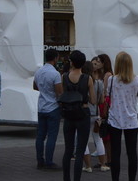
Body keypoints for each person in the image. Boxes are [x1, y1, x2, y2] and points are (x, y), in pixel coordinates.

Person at [61, 50, 96, 181]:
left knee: (68, 150)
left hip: (69, 114)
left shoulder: (64, 76)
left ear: (72, 62)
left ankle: (66, 178)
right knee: (80, 151)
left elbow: (63, 94)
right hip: (83, 113)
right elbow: (93, 100)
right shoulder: (88, 78)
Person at [108, 51, 138, 181]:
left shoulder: (112, 80)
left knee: (115, 153)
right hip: (131, 119)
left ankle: (115, 179)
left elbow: (108, 96)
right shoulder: (137, 80)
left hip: (115, 119)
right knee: (132, 153)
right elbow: (136, 95)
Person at [35, 48, 64, 170]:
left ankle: (40, 160)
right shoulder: (55, 74)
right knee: (52, 136)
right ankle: (49, 161)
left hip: (41, 106)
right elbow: (59, 93)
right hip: (53, 107)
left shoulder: (39, 71)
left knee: (40, 135)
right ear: (55, 58)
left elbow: (35, 86)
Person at [83, 61, 107, 173]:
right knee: (98, 139)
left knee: (83, 139)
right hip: (96, 114)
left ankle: (88, 166)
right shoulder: (99, 83)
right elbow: (102, 100)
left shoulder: (82, 82)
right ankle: (103, 164)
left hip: (85, 113)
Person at [93, 54, 114, 171]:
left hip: (104, 104)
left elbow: (105, 91)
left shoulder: (107, 75)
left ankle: (107, 159)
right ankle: (106, 158)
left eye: (99, 62)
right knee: (103, 134)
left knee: (105, 134)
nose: (97, 64)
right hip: (102, 103)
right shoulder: (102, 74)